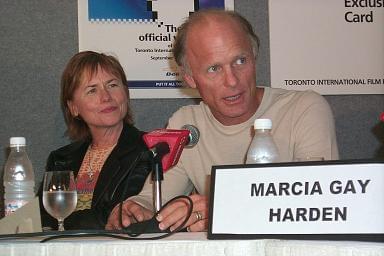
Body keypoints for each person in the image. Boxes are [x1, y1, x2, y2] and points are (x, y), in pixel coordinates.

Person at [106, 9, 339, 232]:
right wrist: (134, 208)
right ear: (190, 78)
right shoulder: (186, 124)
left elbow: (319, 204)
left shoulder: (303, 109)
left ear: (254, 58)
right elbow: (156, 196)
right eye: (214, 68)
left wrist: (224, 209)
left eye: (240, 61)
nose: (232, 81)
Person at [38, 51, 152, 230]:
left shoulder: (148, 150)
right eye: (92, 90)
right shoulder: (60, 159)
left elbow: (116, 216)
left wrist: (62, 222)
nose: (106, 97)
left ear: (126, 93)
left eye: (112, 85)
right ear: (74, 107)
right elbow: (42, 219)